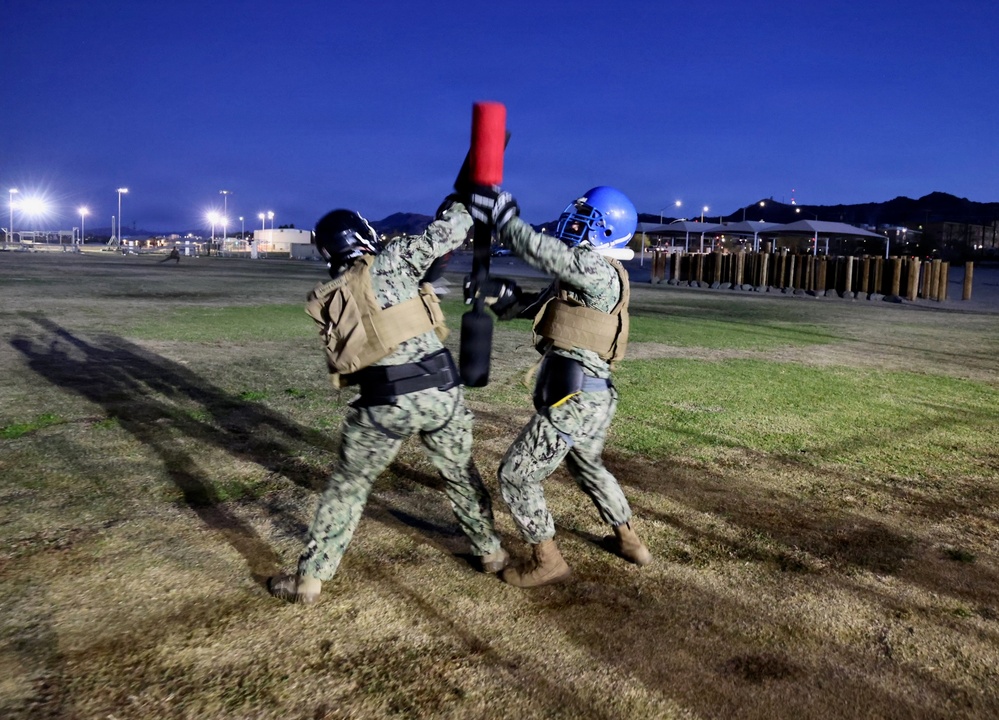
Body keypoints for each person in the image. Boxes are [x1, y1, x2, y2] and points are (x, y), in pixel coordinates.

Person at [268, 199, 508, 604]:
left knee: (348, 488)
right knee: (460, 474)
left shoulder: (327, 298)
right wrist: (464, 203)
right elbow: (450, 232)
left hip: (384, 400)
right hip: (440, 390)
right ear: (362, 236)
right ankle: (491, 553)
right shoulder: (393, 260)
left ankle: (310, 579)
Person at [465, 185, 651, 587]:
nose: (574, 224)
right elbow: (550, 311)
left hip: (577, 397)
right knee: (588, 467)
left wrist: (505, 221)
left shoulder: (595, 266)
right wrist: (506, 301)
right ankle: (631, 541)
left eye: (588, 220)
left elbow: (544, 252)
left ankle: (547, 560)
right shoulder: (589, 273)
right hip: (593, 393)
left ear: (608, 232)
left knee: (517, 474)